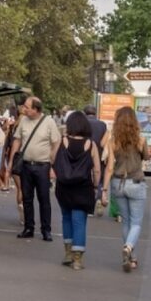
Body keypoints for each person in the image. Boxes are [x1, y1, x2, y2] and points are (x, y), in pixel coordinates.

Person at [102, 106, 150, 272]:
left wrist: (104, 190)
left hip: (118, 183)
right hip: (136, 182)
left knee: (126, 221)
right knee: (136, 222)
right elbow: (147, 156)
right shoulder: (140, 140)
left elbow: (109, 167)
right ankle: (128, 247)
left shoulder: (112, 141)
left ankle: (132, 258)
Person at [9, 96, 61, 241]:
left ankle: (46, 229)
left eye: (27, 107)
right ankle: (28, 227)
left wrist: (52, 159)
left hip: (42, 166)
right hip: (26, 165)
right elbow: (17, 140)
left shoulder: (48, 122)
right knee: (27, 198)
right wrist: (11, 160)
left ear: (36, 109)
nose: (24, 109)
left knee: (44, 199)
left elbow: (56, 141)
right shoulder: (23, 121)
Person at [54, 112, 101, 269]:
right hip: (83, 187)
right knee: (79, 221)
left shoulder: (62, 141)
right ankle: (77, 259)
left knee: (66, 218)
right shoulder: (91, 144)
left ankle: (68, 253)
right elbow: (97, 170)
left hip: (64, 186)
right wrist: (95, 186)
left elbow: (52, 159)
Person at [83, 105, 109, 215]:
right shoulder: (102, 125)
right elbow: (105, 142)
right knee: (99, 178)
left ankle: (89, 206)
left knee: (87, 178)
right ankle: (98, 197)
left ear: (85, 113)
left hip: (85, 155)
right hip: (99, 154)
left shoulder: (83, 124)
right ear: (95, 113)